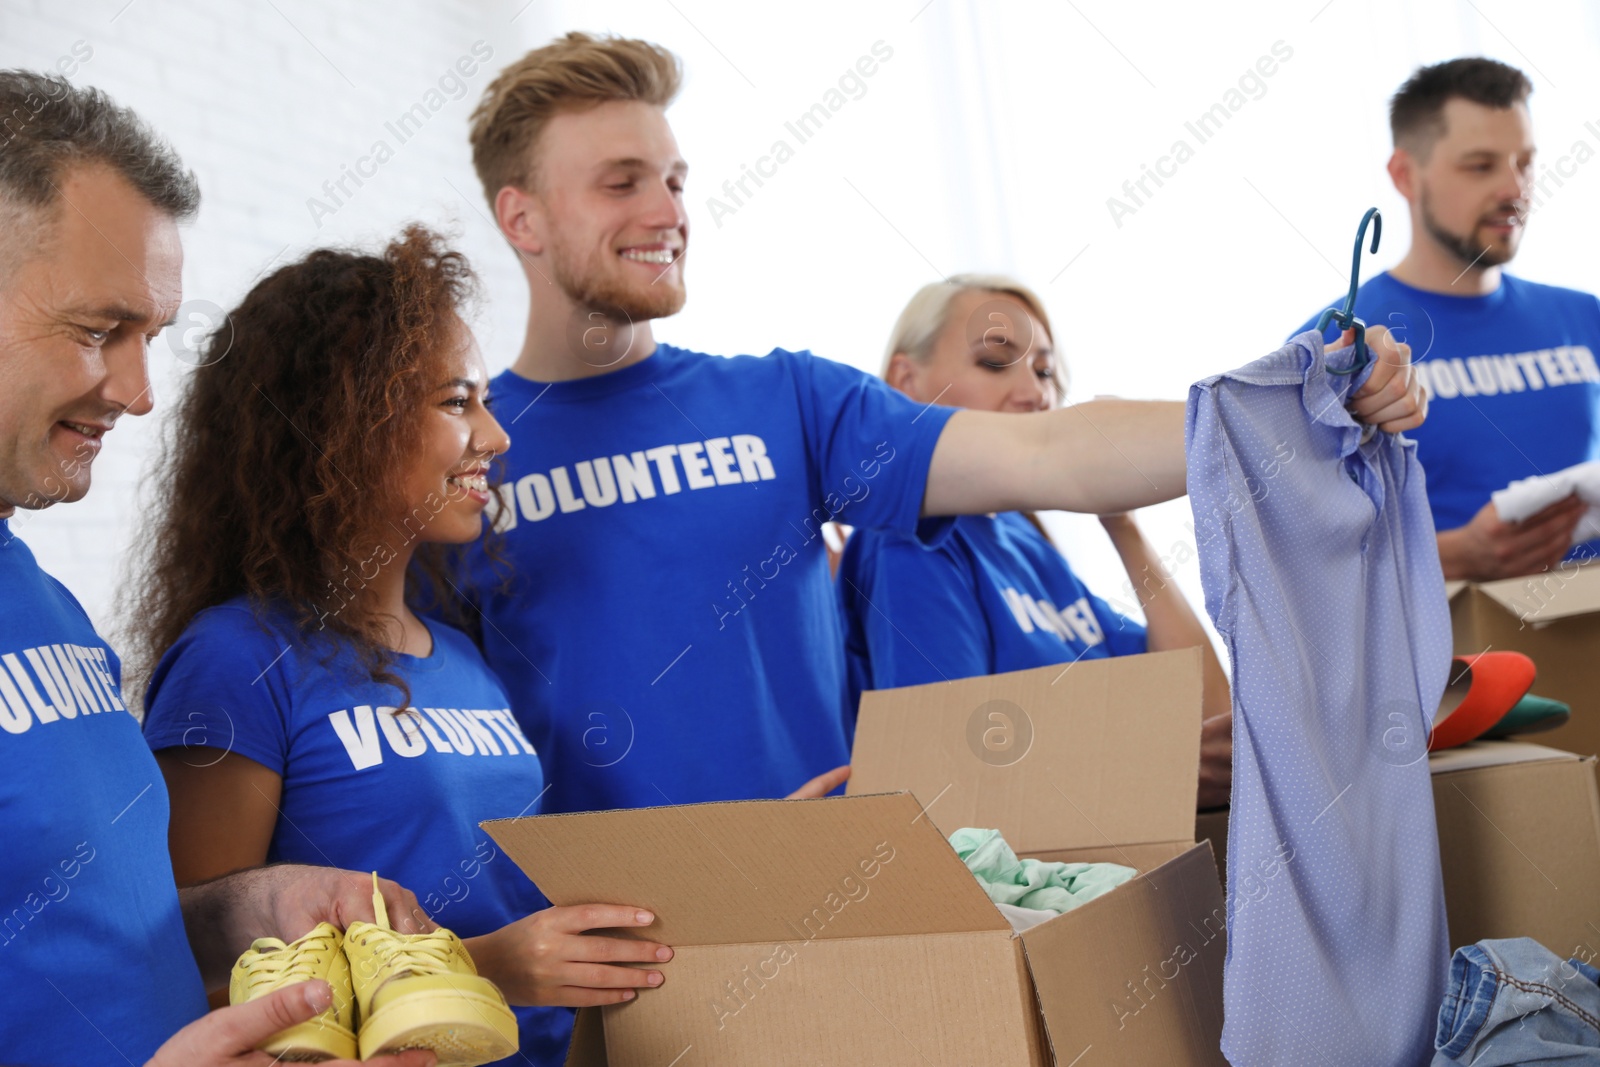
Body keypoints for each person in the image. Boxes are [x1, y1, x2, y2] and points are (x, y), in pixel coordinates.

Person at [457, 32, 1424, 820]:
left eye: (674, 179)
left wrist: (1295, 407)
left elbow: (1051, 452)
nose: (667, 209)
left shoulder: (786, 401)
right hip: (595, 965)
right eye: (621, 182)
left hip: (829, 906)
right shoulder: (466, 455)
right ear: (523, 218)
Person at [130, 226, 674, 1067]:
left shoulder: (462, 658)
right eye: (457, 402)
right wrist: (489, 966)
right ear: (342, 423)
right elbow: (193, 968)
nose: (496, 437)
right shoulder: (234, 660)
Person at [0, 70, 434, 1067]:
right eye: (99, 330)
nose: (140, 392)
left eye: (150, 336)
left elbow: (80, 925)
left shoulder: (46, 604)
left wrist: (253, 906)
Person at [836, 275, 1233, 808]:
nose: (1034, 394)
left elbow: (1205, 713)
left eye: (1045, 371)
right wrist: (1151, 765)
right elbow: (952, 777)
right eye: (995, 361)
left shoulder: (1030, 548)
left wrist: (1124, 527)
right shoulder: (911, 543)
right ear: (906, 381)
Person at [1291, 57, 1600, 581]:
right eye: (1481, 166)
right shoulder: (1340, 342)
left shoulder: (1582, 316)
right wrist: (1457, 557)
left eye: (1524, 162)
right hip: (1452, 655)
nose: (1514, 188)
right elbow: (1301, 563)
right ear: (1405, 175)